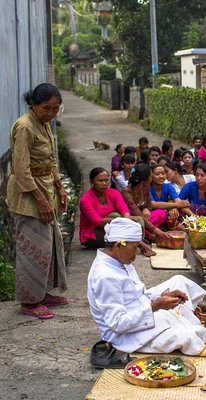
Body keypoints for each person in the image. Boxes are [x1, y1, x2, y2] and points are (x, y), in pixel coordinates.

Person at [88, 218, 206, 357]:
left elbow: (138, 293)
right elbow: (118, 324)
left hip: (139, 309)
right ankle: (185, 321)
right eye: (135, 247)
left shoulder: (121, 260)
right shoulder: (105, 276)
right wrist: (155, 306)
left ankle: (185, 318)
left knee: (179, 281)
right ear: (118, 245)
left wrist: (159, 297)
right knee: (186, 336)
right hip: (123, 334)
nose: (136, 253)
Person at [7, 83, 69, 319]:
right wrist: (41, 200)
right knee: (31, 249)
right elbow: (22, 170)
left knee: (49, 246)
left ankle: (43, 293)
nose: (51, 113)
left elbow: (51, 161)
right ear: (33, 104)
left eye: (55, 109)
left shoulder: (43, 124)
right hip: (28, 196)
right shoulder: (24, 127)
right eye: (46, 108)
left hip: (46, 191)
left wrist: (60, 187)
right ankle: (29, 302)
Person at [80, 168, 155, 256]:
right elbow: (98, 222)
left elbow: (125, 211)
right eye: (100, 181)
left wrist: (125, 219)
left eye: (106, 180)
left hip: (114, 228)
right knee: (115, 216)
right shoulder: (85, 200)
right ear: (91, 182)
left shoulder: (114, 193)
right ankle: (139, 243)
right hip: (93, 234)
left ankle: (133, 243)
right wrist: (119, 220)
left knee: (139, 220)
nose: (104, 183)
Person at [120, 164, 171, 242]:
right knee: (139, 221)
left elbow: (149, 206)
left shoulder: (145, 188)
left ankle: (148, 233)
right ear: (144, 181)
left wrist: (146, 208)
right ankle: (148, 235)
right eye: (150, 177)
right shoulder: (127, 193)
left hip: (145, 218)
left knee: (161, 213)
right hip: (132, 221)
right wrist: (159, 232)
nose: (151, 179)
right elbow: (137, 214)